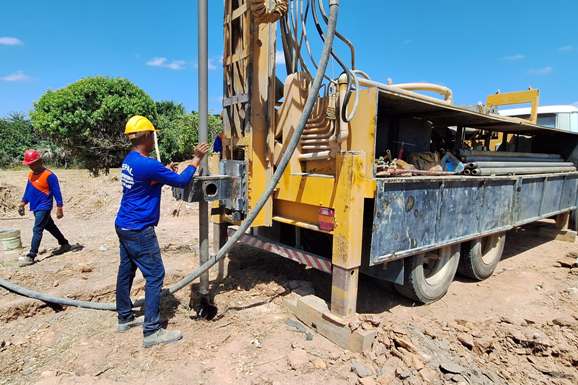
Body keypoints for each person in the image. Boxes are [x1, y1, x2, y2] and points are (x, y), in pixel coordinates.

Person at [115, 115, 209, 348]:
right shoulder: (148, 165)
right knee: (155, 276)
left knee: (126, 271)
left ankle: (124, 317)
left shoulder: (131, 160)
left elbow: (146, 180)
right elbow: (181, 181)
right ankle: (151, 331)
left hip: (124, 224)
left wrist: (161, 173)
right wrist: (196, 159)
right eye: (152, 134)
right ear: (147, 136)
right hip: (139, 228)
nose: (154, 137)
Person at [18, 150, 72, 267]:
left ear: (41, 161)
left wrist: (59, 207)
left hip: (44, 206)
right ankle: (64, 243)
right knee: (49, 226)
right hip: (35, 206)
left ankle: (32, 255)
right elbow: (28, 191)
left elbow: (57, 193)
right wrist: (22, 203)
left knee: (37, 229)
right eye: (29, 165)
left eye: (34, 163)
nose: (31, 167)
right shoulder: (31, 175)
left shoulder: (50, 176)